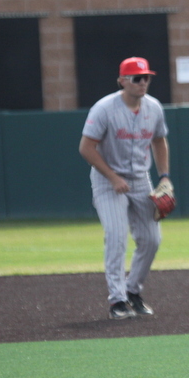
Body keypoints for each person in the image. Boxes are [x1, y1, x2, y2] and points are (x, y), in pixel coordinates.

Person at [79, 57, 171, 320]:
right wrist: (112, 177)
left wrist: (164, 177)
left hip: (141, 179)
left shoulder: (153, 107)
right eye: (137, 78)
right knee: (117, 237)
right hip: (107, 180)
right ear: (122, 81)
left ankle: (133, 291)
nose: (143, 82)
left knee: (152, 239)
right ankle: (117, 300)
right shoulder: (104, 108)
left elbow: (160, 142)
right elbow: (86, 147)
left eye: (146, 78)